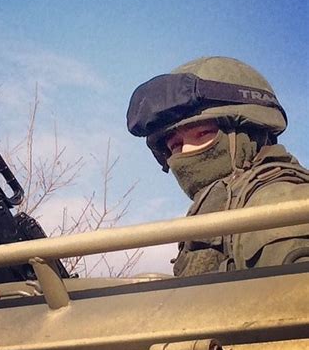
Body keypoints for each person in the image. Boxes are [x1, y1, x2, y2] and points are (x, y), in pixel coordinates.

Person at [127, 56, 309, 276]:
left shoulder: (278, 203)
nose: (186, 151)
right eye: (175, 145)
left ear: (249, 131)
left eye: (203, 134)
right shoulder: (223, 205)